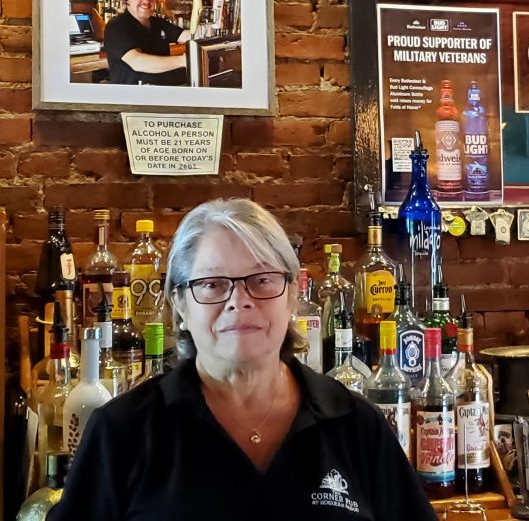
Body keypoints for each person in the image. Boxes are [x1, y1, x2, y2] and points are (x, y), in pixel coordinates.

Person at [48, 198, 437, 520]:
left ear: (290, 294)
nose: (239, 301)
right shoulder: (123, 431)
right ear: (180, 304)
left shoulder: (355, 425)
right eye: (213, 284)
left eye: (262, 279)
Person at [103, 0, 191, 85]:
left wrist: (210, 30)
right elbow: (137, 62)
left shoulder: (158, 23)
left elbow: (186, 35)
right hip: (131, 97)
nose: (146, 1)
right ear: (126, 0)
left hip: (161, 93)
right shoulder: (116, 25)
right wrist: (183, 61)